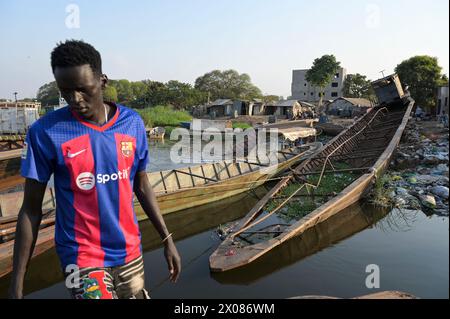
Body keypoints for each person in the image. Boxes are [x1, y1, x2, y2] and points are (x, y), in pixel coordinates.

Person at [9, 40, 181, 299]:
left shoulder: (131, 123)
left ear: (102, 81)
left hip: (129, 250)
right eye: (66, 91)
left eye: (82, 89)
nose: (75, 99)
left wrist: (167, 238)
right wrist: (17, 285)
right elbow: (31, 210)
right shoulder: (46, 132)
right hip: (81, 256)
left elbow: (142, 185)